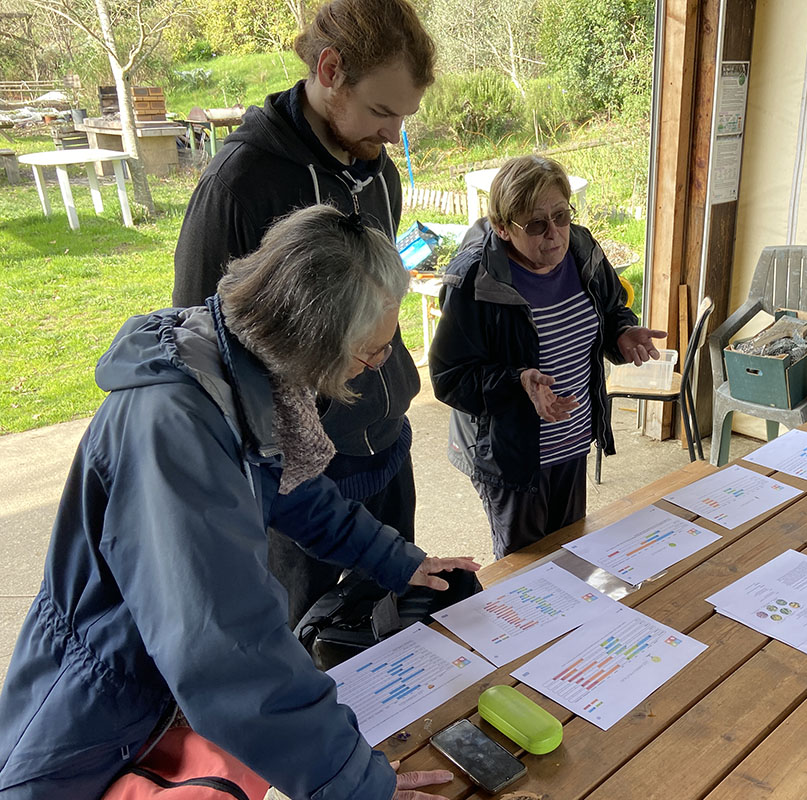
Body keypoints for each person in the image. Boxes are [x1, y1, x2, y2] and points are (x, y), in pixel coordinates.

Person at [0, 205, 478, 800]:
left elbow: (297, 492)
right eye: (370, 352)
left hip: (158, 698)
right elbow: (228, 646)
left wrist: (397, 560)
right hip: (96, 708)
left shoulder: (246, 368)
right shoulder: (177, 425)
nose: (378, 365)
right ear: (315, 341)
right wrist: (356, 785)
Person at [172, 0, 436, 628]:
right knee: (301, 638)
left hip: (386, 448)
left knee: (393, 626)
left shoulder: (380, 176)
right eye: (381, 111)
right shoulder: (239, 186)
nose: (392, 134)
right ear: (329, 68)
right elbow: (197, 340)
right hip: (300, 482)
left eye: (403, 116)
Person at [428, 155, 665, 559]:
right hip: (511, 460)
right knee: (526, 575)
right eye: (536, 224)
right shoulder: (475, 279)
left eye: (561, 216)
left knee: (570, 557)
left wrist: (622, 333)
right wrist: (518, 382)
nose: (554, 234)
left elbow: (609, 310)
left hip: (571, 444)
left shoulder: (582, 248)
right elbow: (450, 377)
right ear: (503, 228)